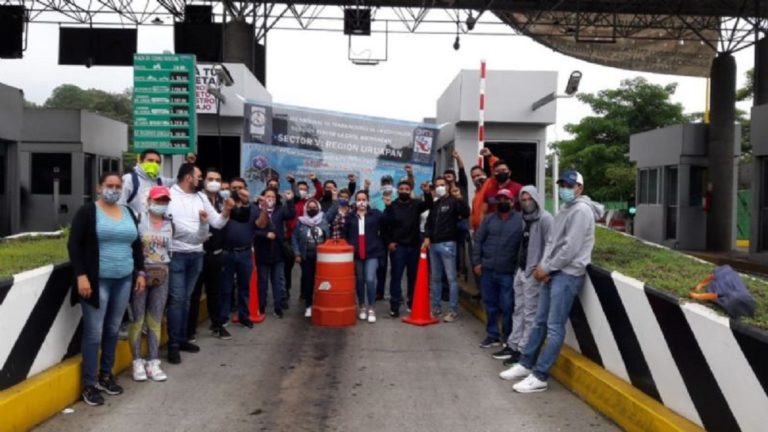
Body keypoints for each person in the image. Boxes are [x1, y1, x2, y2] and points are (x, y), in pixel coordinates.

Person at [500, 170, 603, 393]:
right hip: (553, 272)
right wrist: (545, 267)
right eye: (562, 185)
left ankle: (540, 375)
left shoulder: (581, 211)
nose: (565, 189)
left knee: (554, 327)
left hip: (568, 274)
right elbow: (552, 242)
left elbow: (570, 247)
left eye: (569, 185)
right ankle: (526, 364)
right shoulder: (565, 209)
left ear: (580, 188)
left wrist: (546, 267)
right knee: (539, 321)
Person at [68, 172, 146, 406]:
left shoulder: (128, 212)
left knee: (113, 329)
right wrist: (81, 275)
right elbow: (74, 244)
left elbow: (136, 245)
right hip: (97, 280)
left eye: (117, 186)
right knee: (94, 332)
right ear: (99, 187)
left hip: (124, 279)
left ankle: (105, 375)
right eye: (109, 185)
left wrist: (140, 272)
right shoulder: (88, 212)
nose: (114, 190)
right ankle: (89, 384)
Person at [166, 163, 232, 364]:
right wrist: (198, 235)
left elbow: (217, 222)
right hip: (176, 254)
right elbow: (174, 229)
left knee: (186, 299)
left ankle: (182, 338)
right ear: (188, 177)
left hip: (196, 255)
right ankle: (173, 345)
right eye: (199, 176)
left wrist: (226, 211)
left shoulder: (201, 198)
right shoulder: (170, 195)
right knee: (177, 300)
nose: (201, 180)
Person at [493, 185, 553, 363]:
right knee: (517, 310)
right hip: (521, 270)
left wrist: (543, 267)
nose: (527, 203)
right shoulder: (524, 218)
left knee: (529, 314)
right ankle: (513, 345)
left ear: (536, 199)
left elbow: (551, 245)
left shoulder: (545, 219)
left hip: (534, 273)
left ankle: (523, 350)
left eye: (529, 199)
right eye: (524, 199)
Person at [128, 186, 174, 382]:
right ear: (149, 201)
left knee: (155, 319)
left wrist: (204, 224)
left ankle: (153, 361)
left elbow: (182, 244)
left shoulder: (170, 224)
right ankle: (137, 360)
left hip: (162, 275)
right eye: (158, 200)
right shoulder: (138, 220)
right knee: (138, 319)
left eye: (164, 201)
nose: (161, 204)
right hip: (140, 274)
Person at [472, 189, 523, 348]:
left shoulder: (520, 221)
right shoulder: (488, 219)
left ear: (512, 202)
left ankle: (507, 336)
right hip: (487, 269)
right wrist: (477, 262)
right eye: (499, 199)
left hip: (507, 271)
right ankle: (492, 335)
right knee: (490, 304)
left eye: (506, 199)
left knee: (507, 305)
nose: (503, 202)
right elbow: (478, 241)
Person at [422, 176, 470, 322]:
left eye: (442, 184)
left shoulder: (454, 201)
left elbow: (466, 213)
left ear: (448, 186)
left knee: (451, 279)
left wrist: (460, 198)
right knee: (436, 278)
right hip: (434, 244)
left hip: (448, 244)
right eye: (437, 185)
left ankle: (453, 310)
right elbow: (429, 223)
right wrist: (427, 236)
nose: (440, 187)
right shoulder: (436, 204)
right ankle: (436, 308)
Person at [382, 180, 432, 317]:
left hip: (414, 247)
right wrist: (389, 242)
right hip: (398, 247)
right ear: (397, 191)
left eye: (407, 189)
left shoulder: (416, 204)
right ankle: (394, 306)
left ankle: (412, 304)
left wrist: (427, 192)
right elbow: (385, 226)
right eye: (402, 189)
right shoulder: (391, 205)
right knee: (396, 277)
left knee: (413, 277)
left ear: (410, 191)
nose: (404, 191)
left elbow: (429, 204)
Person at [187, 168, 226, 343]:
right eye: (210, 179)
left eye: (217, 179)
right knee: (194, 293)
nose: (214, 182)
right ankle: (190, 330)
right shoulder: (197, 199)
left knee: (214, 292)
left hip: (215, 254)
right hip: (197, 252)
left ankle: (217, 325)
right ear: (204, 181)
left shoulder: (223, 201)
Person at [218, 178, 260, 333]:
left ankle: (244, 316)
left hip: (245, 253)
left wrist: (264, 210)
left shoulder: (253, 208)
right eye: (234, 188)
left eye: (240, 187)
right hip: (227, 252)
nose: (237, 190)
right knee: (225, 287)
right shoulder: (225, 205)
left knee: (244, 287)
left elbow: (261, 225)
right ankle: (223, 318)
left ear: (246, 188)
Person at [253, 188, 296, 318]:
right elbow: (253, 230)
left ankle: (278, 307)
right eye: (268, 196)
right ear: (263, 197)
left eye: (273, 197)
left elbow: (291, 214)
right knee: (262, 282)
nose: (270, 199)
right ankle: (261, 306)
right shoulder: (256, 211)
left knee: (277, 281)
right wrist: (265, 234)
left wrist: (290, 201)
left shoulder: (280, 210)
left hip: (278, 253)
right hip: (262, 253)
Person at [345, 190, 385, 323]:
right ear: (355, 201)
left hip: (372, 252)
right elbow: (345, 233)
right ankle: (362, 305)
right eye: (359, 199)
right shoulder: (350, 216)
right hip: (356, 254)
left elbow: (387, 223)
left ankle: (371, 307)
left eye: (364, 199)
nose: (361, 202)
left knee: (370, 279)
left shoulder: (375, 214)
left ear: (368, 201)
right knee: (360, 280)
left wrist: (389, 206)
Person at [285, 172, 323, 303]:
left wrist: (315, 180)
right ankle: (286, 291)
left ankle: (304, 293)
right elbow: (295, 194)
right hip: (290, 239)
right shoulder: (292, 202)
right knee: (287, 268)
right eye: (300, 189)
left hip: (305, 240)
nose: (302, 191)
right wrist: (292, 183)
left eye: (304, 189)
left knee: (306, 270)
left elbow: (320, 192)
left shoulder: (309, 203)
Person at [292, 198, 330, 318]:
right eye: (309, 207)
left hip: (322, 257)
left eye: (314, 207)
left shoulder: (323, 219)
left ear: (318, 208)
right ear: (305, 209)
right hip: (306, 257)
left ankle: (321, 304)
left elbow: (328, 237)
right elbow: (294, 238)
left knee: (323, 282)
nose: (312, 209)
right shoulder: (300, 222)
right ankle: (309, 306)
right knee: (308, 281)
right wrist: (297, 254)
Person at [119, 149, 175, 216]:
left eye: (157, 162)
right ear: (141, 161)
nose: (154, 164)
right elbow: (120, 205)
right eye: (150, 160)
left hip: (155, 221)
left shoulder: (161, 181)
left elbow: (179, 181)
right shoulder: (129, 179)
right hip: (134, 222)